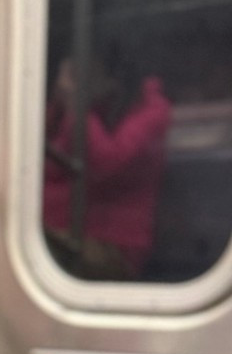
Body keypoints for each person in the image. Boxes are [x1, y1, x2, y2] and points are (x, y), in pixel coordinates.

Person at [43, 42, 173, 280]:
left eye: (87, 71)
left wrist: (75, 103)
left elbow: (104, 166)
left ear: (113, 75)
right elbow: (42, 163)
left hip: (110, 245)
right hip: (58, 230)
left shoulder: (152, 111)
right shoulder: (93, 110)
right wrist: (58, 102)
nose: (81, 78)